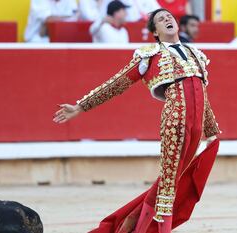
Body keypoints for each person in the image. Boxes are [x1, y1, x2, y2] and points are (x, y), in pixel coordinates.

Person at [54, 8, 220, 233]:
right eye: (161, 20)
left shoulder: (196, 54)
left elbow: (202, 94)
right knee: (168, 187)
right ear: (155, 32)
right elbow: (117, 83)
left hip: (196, 126)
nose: (167, 19)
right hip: (175, 121)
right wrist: (81, 107)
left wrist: (210, 130)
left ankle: (129, 225)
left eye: (169, 17)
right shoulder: (149, 55)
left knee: (167, 183)